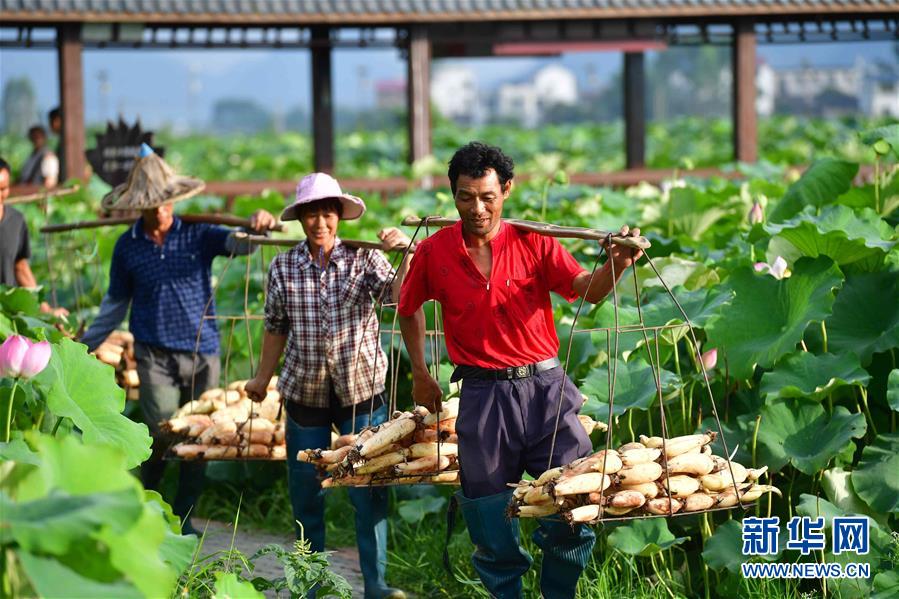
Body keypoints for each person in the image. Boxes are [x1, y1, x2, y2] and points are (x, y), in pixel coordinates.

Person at [397, 142, 643, 599]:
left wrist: (618, 264)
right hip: (483, 395)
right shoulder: (434, 252)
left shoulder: (535, 241)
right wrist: (419, 371)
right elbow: (407, 307)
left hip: (547, 390)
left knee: (575, 501)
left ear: (506, 190)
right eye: (466, 197)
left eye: (488, 197)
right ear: (453, 195)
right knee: (488, 517)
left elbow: (588, 291)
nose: (477, 208)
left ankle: (558, 592)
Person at [81, 144, 277, 535]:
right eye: (154, 204)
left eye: (168, 202)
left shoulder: (198, 234)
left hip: (202, 351)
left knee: (199, 437)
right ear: (139, 206)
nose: (162, 211)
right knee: (161, 432)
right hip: (154, 353)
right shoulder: (128, 246)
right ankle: (143, 502)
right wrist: (86, 343)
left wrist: (257, 226)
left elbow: (240, 244)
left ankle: (182, 517)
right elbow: (115, 303)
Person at [244, 172, 411, 599]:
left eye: (327, 213)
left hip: (362, 390)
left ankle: (375, 584)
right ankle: (309, 583)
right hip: (305, 391)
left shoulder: (365, 258)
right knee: (305, 492)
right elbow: (275, 326)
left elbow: (397, 297)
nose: (320, 223)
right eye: (312, 214)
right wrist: (263, 378)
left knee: (367, 490)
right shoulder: (284, 266)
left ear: (339, 216)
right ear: (300, 219)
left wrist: (404, 253)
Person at [0, 157, 68, 317]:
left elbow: (20, 267)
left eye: (3, 189)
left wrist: (46, 310)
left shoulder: (16, 221)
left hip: (8, 314)